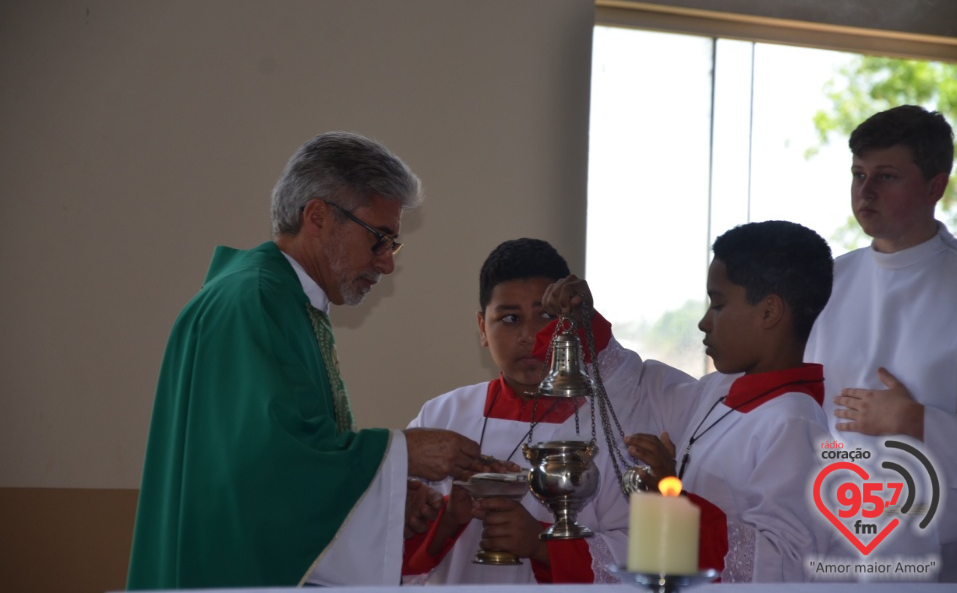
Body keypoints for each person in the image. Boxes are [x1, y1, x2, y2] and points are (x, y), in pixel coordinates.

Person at [127, 132, 482, 589]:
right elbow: (266, 466)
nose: (386, 263)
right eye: (380, 239)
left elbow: (293, 459)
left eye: (392, 245)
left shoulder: (284, 301)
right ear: (318, 217)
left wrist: (381, 493)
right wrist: (403, 453)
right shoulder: (254, 301)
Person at [402, 238, 696, 584]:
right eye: (509, 318)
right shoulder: (442, 416)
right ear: (482, 328)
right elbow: (397, 554)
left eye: (546, 316)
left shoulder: (616, 423)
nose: (529, 336)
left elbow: (651, 552)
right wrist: (448, 518)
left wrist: (542, 546)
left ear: (569, 322)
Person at [624, 220, 835, 582]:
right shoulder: (719, 389)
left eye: (717, 305)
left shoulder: (794, 423)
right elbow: (645, 388)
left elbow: (786, 562)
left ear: (769, 312)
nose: (704, 323)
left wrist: (677, 501)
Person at [805, 105, 957, 581]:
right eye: (858, 174)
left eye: (886, 176)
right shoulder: (825, 281)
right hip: (822, 537)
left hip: (936, 547)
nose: (864, 191)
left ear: (935, 186)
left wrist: (916, 422)